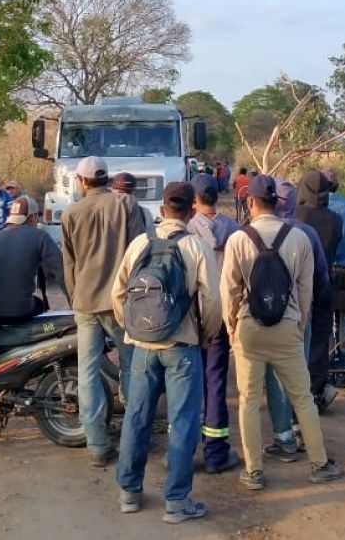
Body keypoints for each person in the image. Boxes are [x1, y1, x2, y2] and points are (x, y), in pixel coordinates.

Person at [220, 175, 344, 490]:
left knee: (249, 400)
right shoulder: (299, 238)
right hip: (287, 328)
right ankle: (319, 464)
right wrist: (299, 324)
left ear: (250, 202)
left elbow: (229, 291)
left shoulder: (238, 239)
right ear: (277, 202)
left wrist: (232, 326)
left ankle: (254, 472)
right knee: (302, 398)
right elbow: (305, 290)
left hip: (250, 328)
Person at [112, 182, 222, 524]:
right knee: (183, 421)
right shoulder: (196, 246)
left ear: (161, 210)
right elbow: (212, 301)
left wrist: (134, 328)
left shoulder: (139, 244)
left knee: (137, 417)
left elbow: (118, 295)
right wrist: (205, 335)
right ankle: (176, 502)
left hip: (142, 347)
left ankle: (129, 493)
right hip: (182, 347)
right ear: (191, 211)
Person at [61, 156, 147, 466]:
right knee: (132, 368)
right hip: (120, 303)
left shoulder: (71, 213)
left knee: (87, 373)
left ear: (82, 181)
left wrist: (76, 298)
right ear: (106, 179)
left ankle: (97, 444)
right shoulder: (127, 206)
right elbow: (140, 254)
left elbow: (69, 265)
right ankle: (134, 439)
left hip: (86, 303)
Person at [186, 175, 242, 474]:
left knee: (185, 383)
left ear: (194, 200)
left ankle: (183, 450)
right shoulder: (233, 229)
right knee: (215, 380)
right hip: (220, 316)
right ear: (216, 197)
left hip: (190, 319)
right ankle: (216, 452)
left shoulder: (187, 230)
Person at [0, 196, 66, 322]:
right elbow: (61, 272)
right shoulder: (40, 236)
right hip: (20, 312)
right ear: (33, 218)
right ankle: (46, 330)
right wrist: (76, 304)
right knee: (43, 313)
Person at [295, 170, 342, 410]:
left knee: (297, 338)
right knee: (320, 339)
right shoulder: (336, 219)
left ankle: (296, 391)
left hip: (297, 286)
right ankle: (316, 389)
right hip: (324, 284)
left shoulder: (296, 216)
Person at [321, 168, 345, 376]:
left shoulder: (317, 208)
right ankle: (343, 364)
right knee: (343, 316)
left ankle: (327, 362)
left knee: (324, 316)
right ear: (337, 186)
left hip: (325, 271)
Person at [112, 172, 155, 238]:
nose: (124, 196)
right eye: (120, 192)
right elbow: (151, 237)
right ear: (134, 191)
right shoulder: (145, 212)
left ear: (112, 190)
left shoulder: (103, 210)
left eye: (127, 192)